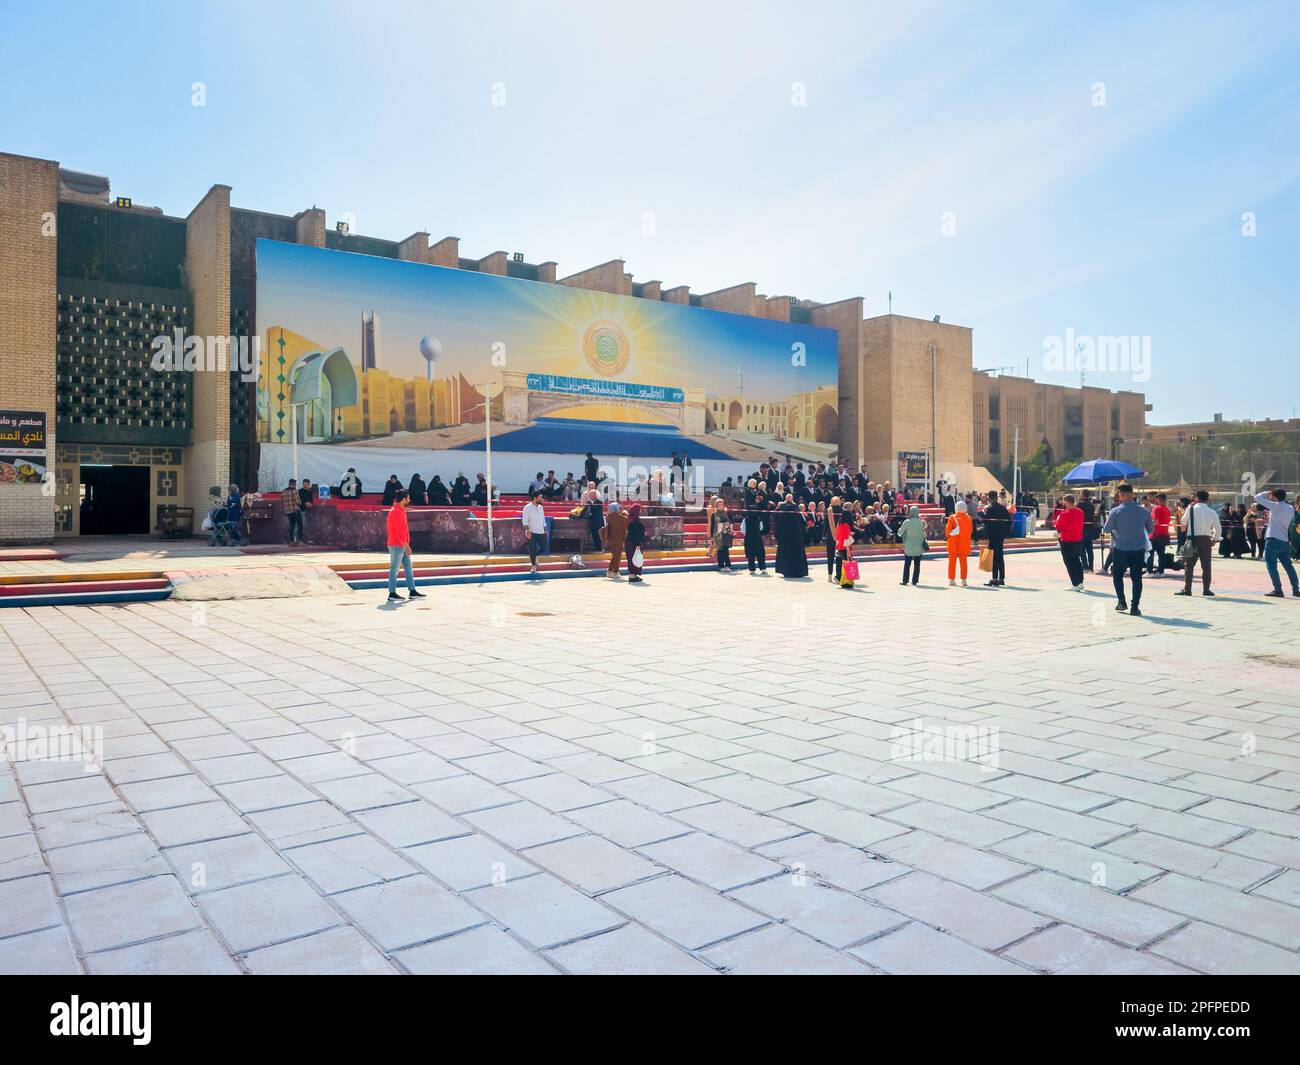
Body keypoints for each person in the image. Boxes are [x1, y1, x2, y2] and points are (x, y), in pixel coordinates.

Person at [1104, 483, 1153, 615]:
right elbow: (1151, 530)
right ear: (1133, 494)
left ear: (1122, 495)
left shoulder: (1115, 511)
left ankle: (1121, 601)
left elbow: (1107, 529)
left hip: (1121, 548)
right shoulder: (1145, 511)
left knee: (1117, 575)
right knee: (1137, 578)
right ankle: (1134, 607)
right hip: (1138, 549)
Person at [1254, 488, 1300, 598]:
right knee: (1289, 566)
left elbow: (1257, 498)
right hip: (1284, 540)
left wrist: (1267, 492)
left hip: (1273, 538)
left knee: (1271, 565)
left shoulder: (1275, 506)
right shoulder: (1290, 508)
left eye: (1272, 495)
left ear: (1275, 497)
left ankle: (1278, 589)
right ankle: (1296, 590)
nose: (1270, 497)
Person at [1175, 489, 1221, 598]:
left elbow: (1184, 522)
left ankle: (1187, 589)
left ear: (1196, 498)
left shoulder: (1190, 509)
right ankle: (1206, 589)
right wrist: (1214, 539)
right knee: (1206, 566)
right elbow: (1218, 528)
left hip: (1192, 539)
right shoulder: (1212, 512)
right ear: (1207, 499)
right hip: (1206, 540)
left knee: (1189, 565)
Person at [385, 490, 425, 602]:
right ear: (403, 499)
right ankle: (392, 593)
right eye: (408, 498)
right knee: (395, 568)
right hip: (397, 544)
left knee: (408, 567)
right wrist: (406, 546)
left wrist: (406, 544)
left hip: (401, 544)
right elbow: (398, 532)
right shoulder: (396, 512)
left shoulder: (400, 510)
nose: (409, 500)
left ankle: (412, 591)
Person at [774, 494, 809, 578]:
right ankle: (799, 572)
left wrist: (778, 537)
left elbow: (778, 528)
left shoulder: (783, 515)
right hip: (797, 540)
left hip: (785, 540)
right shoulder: (797, 514)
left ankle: (786, 571)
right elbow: (804, 524)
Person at [1055, 494, 1085, 589]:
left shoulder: (1064, 514)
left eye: (1064, 501)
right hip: (1078, 539)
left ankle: (1075, 583)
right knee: (1077, 560)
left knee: (1069, 562)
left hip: (1067, 540)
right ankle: (1080, 581)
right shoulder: (1080, 512)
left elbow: (1058, 527)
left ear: (1067, 502)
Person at [982, 489, 1010, 587]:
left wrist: (986, 536)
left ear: (989, 498)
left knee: (993, 556)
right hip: (1001, 536)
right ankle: (1001, 578)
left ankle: (994, 578)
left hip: (993, 536)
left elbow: (987, 523)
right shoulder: (1003, 508)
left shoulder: (990, 509)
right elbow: (1008, 521)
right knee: (1000, 556)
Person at [945, 499, 972, 587]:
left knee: (952, 562)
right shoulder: (969, 518)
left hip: (953, 543)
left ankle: (952, 580)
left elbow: (948, 531)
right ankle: (964, 580)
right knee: (964, 562)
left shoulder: (952, 517)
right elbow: (970, 531)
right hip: (964, 544)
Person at [521, 489, 548, 575]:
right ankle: (533, 565)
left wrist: (545, 529)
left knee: (544, 548)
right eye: (540, 497)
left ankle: (535, 557)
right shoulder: (527, 507)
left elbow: (543, 519)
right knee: (532, 549)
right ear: (535, 498)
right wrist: (527, 530)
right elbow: (525, 521)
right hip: (531, 532)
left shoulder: (541, 507)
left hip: (541, 531)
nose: (542, 499)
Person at [899, 505, 927, 585]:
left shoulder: (907, 522)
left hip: (909, 546)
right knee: (917, 564)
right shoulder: (921, 522)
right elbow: (924, 534)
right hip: (919, 546)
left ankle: (905, 580)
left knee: (907, 564)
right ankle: (915, 580)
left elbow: (900, 532)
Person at [743, 493, 768, 573]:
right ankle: (763, 569)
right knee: (760, 553)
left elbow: (742, 529)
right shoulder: (759, 519)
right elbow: (761, 528)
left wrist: (747, 534)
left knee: (750, 554)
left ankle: (752, 569)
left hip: (749, 538)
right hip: (757, 538)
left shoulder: (745, 519)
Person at [1148, 493, 1171, 575]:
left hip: (1155, 534)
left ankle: (1150, 571)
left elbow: (1155, 521)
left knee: (1150, 553)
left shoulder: (1156, 508)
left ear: (1158, 499)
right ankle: (1161, 571)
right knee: (1161, 554)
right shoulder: (1167, 509)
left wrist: (1147, 524)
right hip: (1164, 534)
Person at [606, 500, 629, 577]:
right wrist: (625, 513)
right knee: (617, 556)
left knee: (615, 555)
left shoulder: (608, 517)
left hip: (610, 539)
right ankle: (614, 572)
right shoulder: (619, 517)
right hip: (618, 539)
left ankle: (610, 572)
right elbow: (627, 521)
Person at [625, 504, 647, 583]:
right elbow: (636, 533)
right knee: (634, 558)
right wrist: (638, 544)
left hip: (629, 542)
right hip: (634, 543)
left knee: (632, 558)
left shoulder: (631, 519)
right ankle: (632, 576)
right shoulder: (636, 520)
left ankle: (633, 575)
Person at [582, 484, 605, 551]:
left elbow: (594, 508)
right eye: (589, 495)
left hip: (598, 522)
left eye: (590, 495)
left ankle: (600, 549)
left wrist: (589, 503)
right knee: (594, 535)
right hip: (592, 522)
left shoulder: (599, 502)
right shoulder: (590, 502)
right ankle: (597, 548)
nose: (589, 497)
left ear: (595, 495)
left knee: (598, 535)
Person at [282, 478, 303, 545]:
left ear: (289, 483)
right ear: (294, 484)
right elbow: (298, 501)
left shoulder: (283, 491)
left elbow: (282, 500)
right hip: (295, 510)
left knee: (292, 526)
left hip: (288, 511)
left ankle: (291, 542)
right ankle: (300, 541)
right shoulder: (294, 491)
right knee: (300, 525)